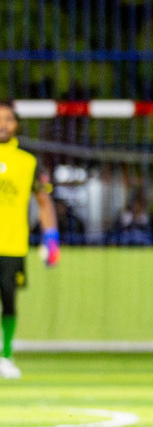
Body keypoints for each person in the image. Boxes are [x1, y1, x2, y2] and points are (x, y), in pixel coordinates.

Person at [0, 101, 58, 379]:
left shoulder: (28, 162)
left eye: (8, 119)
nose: (3, 124)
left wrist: (52, 238)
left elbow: (44, 201)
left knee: (9, 301)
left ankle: (5, 355)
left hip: (12, 243)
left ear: (16, 124)